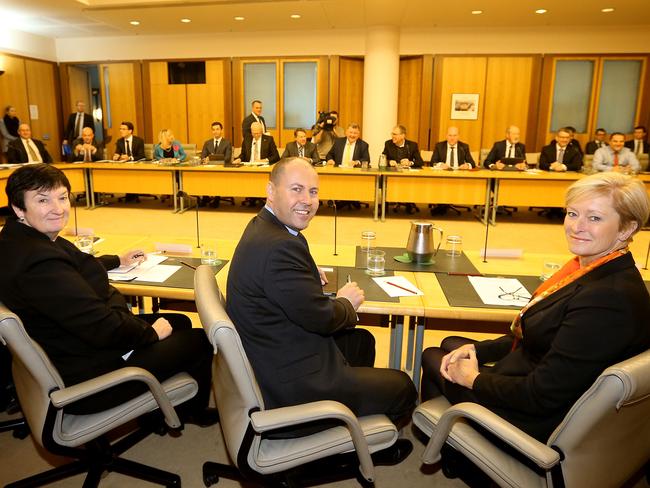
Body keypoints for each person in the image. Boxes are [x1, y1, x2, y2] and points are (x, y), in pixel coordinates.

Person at [420, 171, 650, 442]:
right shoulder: (594, 269)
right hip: (542, 373)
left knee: (434, 356)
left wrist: (474, 380)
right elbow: (540, 337)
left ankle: (458, 451)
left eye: (595, 218)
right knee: (454, 345)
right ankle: (454, 447)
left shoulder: (607, 300)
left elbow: (540, 394)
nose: (576, 227)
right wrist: (477, 350)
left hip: (543, 416)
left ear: (627, 228)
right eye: (572, 213)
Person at [226, 157, 416, 461]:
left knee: (362, 341)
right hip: (291, 383)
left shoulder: (264, 226)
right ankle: (353, 448)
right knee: (404, 386)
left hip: (275, 350)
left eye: (313, 192)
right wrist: (346, 303)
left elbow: (282, 274)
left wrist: (305, 270)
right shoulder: (278, 248)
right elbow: (323, 319)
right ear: (270, 190)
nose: (307, 201)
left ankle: (351, 424)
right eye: (297, 189)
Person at [0, 164, 216, 424]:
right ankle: (188, 412)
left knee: (178, 322)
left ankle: (162, 405)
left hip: (68, 347)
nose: (57, 209)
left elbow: (68, 270)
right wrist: (150, 334)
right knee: (200, 339)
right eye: (43, 200)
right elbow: (104, 326)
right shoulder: (38, 263)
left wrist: (115, 261)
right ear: (18, 208)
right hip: (90, 373)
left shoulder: (20, 240)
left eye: (62, 197)